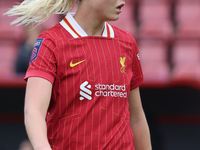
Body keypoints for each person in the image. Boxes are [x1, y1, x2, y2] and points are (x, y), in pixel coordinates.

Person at [6, 0, 152, 149]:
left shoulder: (127, 43)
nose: (122, 1)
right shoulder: (51, 42)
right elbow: (34, 110)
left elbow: (136, 118)